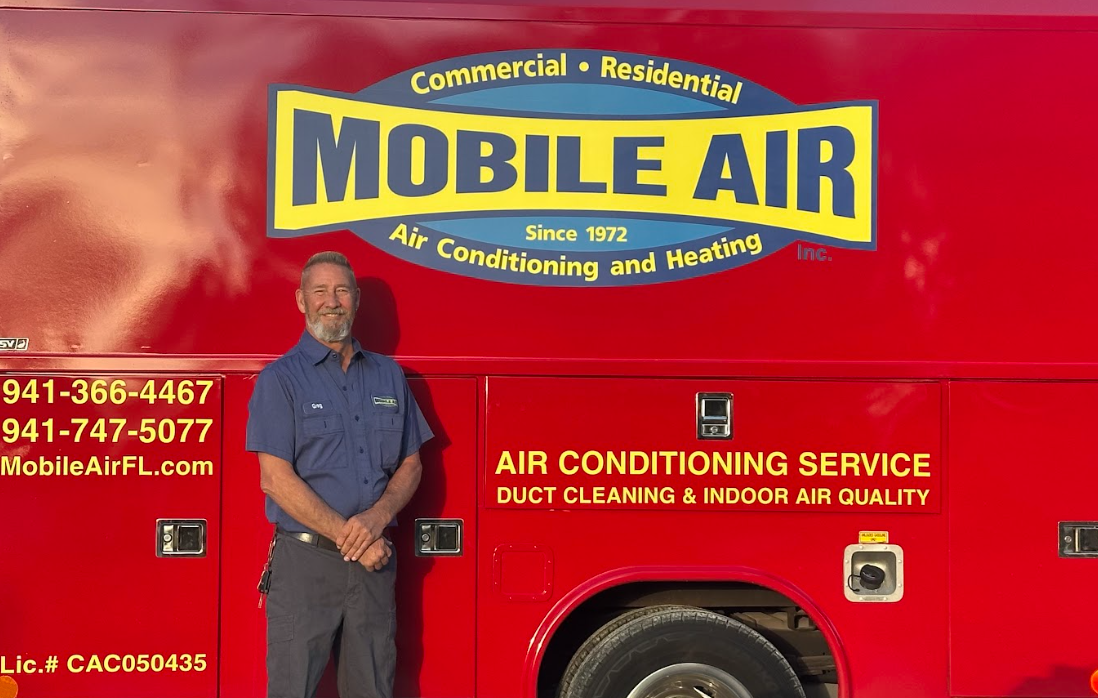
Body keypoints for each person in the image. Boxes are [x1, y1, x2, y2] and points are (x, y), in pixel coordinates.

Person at [246, 251, 433, 698]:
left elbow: (412, 463)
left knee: (373, 688)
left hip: (374, 566)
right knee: (293, 689)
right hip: (306, 563)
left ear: (356, 300)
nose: (332, 301)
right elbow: (274, 477)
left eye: (342, 290)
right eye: (320, 291)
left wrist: (376, 519)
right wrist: (353, 538)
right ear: (301, 301)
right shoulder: (280, 380)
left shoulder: (389, 376)